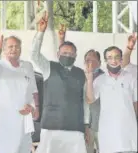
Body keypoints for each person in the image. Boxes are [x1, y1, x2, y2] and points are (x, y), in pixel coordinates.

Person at [31, 11, 88, 153]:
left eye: (70, 54)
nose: (67, 56)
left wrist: (86, 124)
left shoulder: (82, 74)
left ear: (75, 56)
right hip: (51, 126)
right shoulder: (49, 67)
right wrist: (40, 33)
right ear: (58, 54)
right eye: (64, 53)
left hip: (75, 128)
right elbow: (34, 55)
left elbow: (85, 102)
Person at [0, 33, 40, 153]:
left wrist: (35, 108)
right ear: (4, 49)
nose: (14, 49)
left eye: (17, 46)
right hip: (3, 122)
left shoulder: (27, 66)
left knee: (22, 148)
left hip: (23, 121)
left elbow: (34, 90)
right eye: (10, 47)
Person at [86, 46, 137, 153]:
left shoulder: (131, 78)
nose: (113, 60)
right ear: (105, 61)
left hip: (129, 134)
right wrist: (90, 77)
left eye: (117, 57)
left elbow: (135, 104)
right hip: (108, 136)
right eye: (109, 57)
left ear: (121, 59)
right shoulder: (100, 80)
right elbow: (90, 100)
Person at [83, 50, 104, 153]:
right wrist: (85, 125)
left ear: (100, 63)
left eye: (93, 60)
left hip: (103, 127)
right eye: (87, 60)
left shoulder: (107, 79)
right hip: (86, 127)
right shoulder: (80, 78)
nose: (90, 63)